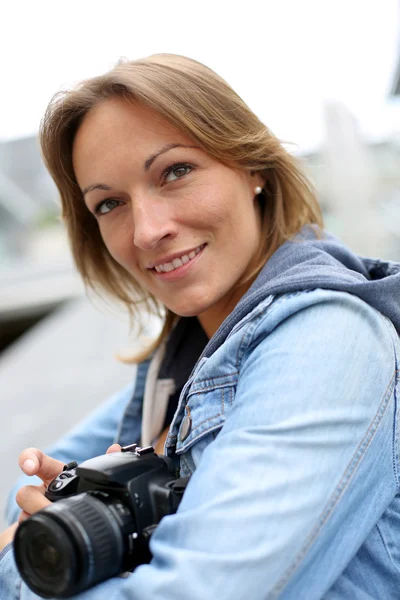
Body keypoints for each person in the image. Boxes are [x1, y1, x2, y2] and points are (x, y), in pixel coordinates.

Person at [1, 54, 400, 600]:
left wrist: (22, 572)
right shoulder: (183, 362)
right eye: (110, 203)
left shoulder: (328, 337)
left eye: (175, 171)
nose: (146, 231)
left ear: (253, 166)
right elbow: (24, 491)